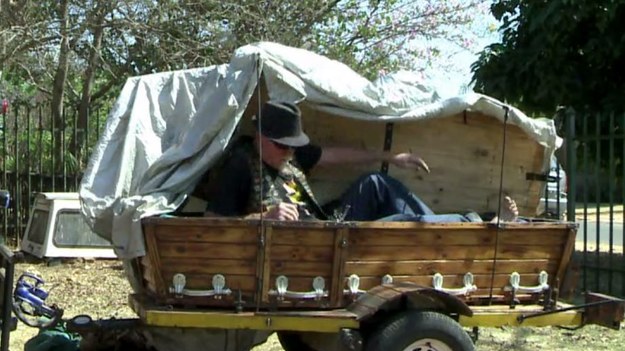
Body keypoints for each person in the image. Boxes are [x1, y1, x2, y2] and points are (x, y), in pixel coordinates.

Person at [206, 100, 518, 223]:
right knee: (397, 226)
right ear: (260, 136)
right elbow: (211, 225)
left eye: (292, 148)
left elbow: (335, 156)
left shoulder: (289, 154)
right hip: (308, 250)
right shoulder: (240, 165)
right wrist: (263, 217)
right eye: (283, 147)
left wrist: (390, 157)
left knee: (375, 183)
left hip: (328, 224)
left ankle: (452, 229)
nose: (289, 153)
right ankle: (479, 226)